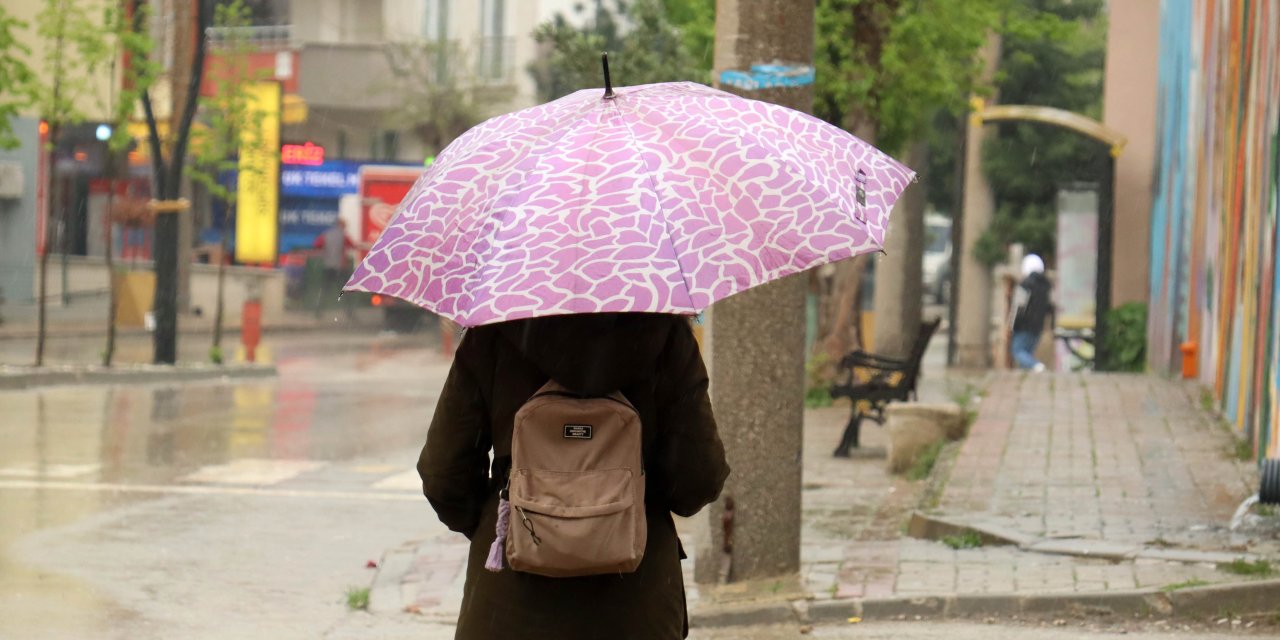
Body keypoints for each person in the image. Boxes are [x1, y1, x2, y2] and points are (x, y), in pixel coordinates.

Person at [419, 313, 729, 639]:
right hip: (636, 604)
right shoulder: (665, 333)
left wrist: (510, 520)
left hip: (509, 607)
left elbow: (443, 474)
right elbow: (698, 478)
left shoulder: (493, 331)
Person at [1010, 254, 1054, 372]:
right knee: (1028, 352)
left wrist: (1013, 324)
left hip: (1023, 325)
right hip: (1038, 326)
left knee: (1017, 351)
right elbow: (1050, 307)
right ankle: (1030, 373)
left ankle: (1036, 366)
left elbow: (1018, 306)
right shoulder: (1046, 286)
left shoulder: (1025, 285)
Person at [313, 218, 357, 318]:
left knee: (325, 290)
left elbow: (317, 244)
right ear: (341, 225)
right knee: (343, 291)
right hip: (340, 268)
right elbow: (352, 245)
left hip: (328, 266)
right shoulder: (343, 236)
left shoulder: (325, 235)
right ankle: (349, 312)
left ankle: (319, 311)